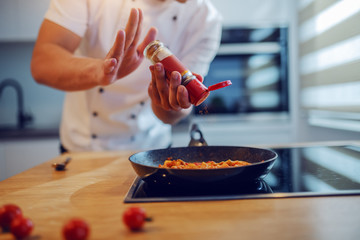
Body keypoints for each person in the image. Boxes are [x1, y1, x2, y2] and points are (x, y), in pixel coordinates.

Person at [31, 0, 222, 152]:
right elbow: (43, 63)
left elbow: (174, 113)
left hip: (151, 151)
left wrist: (171, 103)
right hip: (83, 149)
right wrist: (100, 71)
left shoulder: (206, 19)